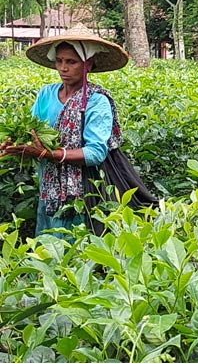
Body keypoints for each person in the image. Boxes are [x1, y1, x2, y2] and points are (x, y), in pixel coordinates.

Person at [0, 31, 147, 237]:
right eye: (59, 61)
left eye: (72, 61)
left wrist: (49, 154)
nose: (63, 68)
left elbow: (96, 153)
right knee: (48, 243)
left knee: (76, 244)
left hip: (83, 190)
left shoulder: (97, 101)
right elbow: (30, 131)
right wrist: (14, 145)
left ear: (88, 64)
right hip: (48, 186)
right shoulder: (46, 94)